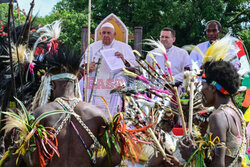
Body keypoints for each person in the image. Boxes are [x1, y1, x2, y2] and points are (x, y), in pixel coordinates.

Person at [179, 60, 247, 166]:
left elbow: (219, 165)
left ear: (212, 88)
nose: (201, 91)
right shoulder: (237, 113)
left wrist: (192, 156)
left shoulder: (218, 116)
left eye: (203, 85)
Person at [79, 22, 137, 118]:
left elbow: (134, 67)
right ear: (100, 34)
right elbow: (83, 66)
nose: (106, 35)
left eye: (109, 33)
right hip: (96, 78)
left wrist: (124, 60)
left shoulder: (125, 47)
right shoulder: (92, 47)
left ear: (114, 34)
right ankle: (85, 114)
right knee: (82, 83)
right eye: (104, 33)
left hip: (116, 77)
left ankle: (114, 116)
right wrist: (88, 67)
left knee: (119, 83)